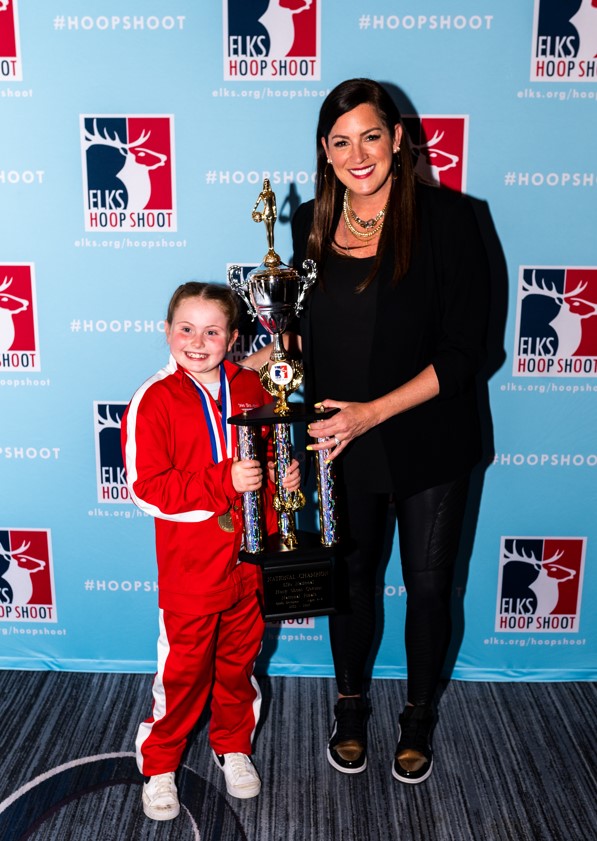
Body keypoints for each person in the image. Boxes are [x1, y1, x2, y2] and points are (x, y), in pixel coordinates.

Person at [242, 78, 490, 783]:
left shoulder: (451, 220)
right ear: (323, 150)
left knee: (429, 584)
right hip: (336, 440)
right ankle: (348, 709)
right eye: (340, 141)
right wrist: (249, 364)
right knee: (349, 579)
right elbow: (304, 341)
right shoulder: (308, 226)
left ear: (398, 139)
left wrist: (371, 413)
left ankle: (418, 718)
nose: (357, 154)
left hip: (426, 436)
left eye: (370, 137)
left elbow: (467, 353)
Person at [121, 282, 300, 820]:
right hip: (192, 565)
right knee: (182, 673)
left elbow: (268, 452)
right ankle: (160, 764)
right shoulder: (153, 398)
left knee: (237, 664)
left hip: (249, 557)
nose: (198, 341)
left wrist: (283, 479)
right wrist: (226, 480)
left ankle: (233, 744)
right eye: (186, 328)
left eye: (213, 331)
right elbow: (146, 488)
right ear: (167, 330)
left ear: (234, 337)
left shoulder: (250, 385)